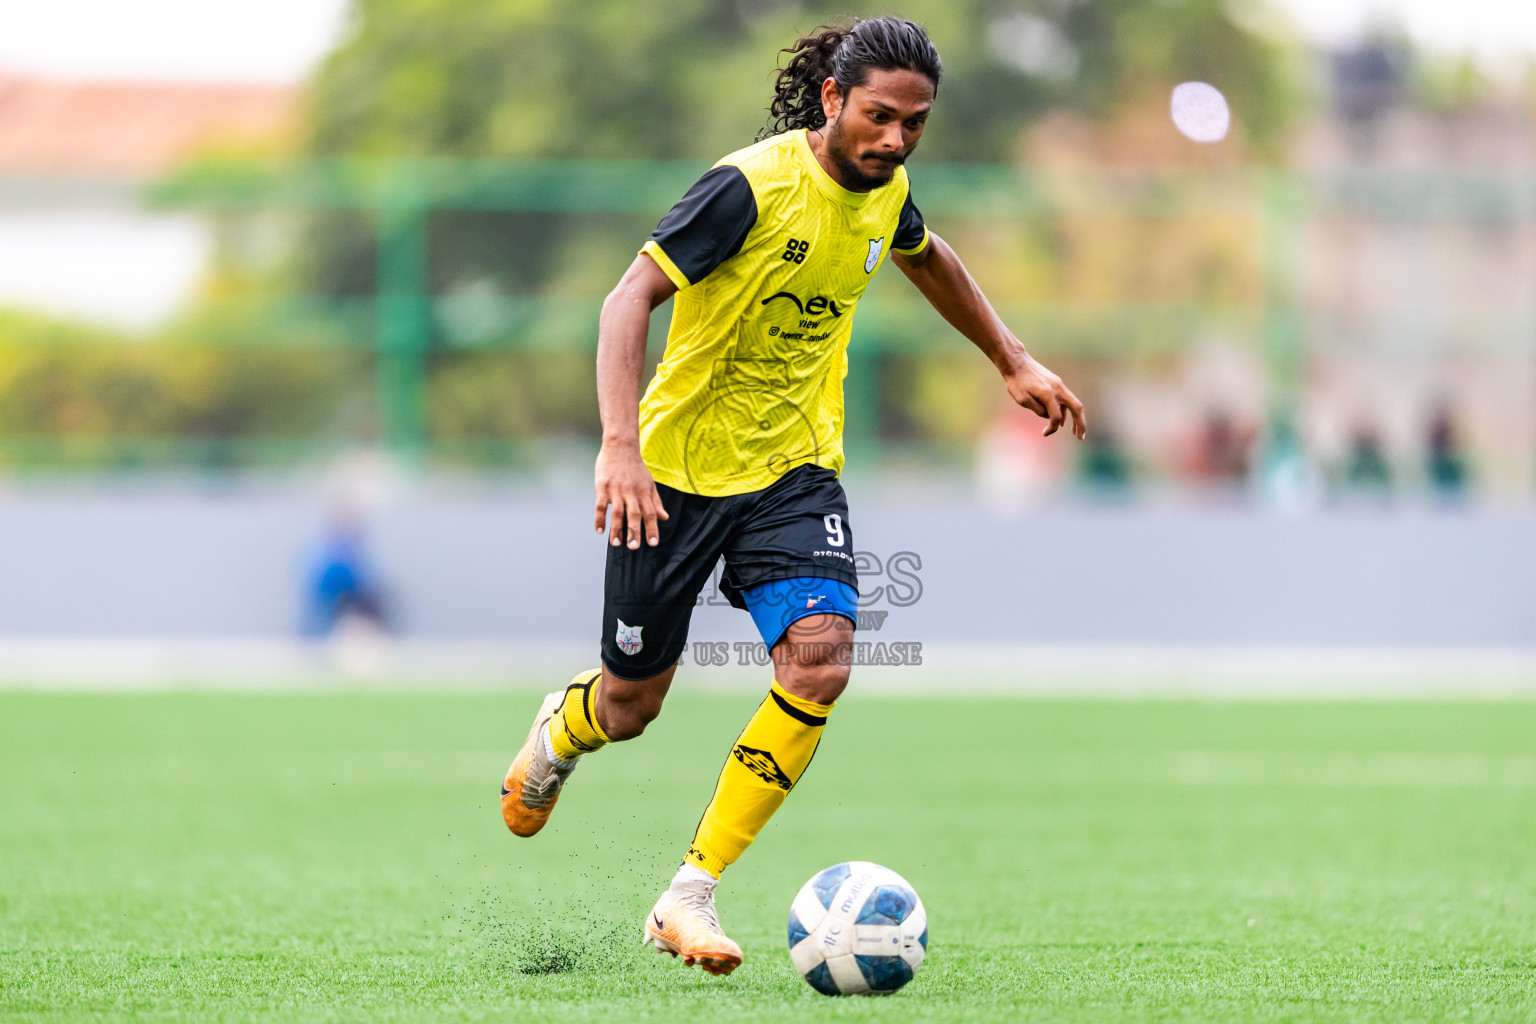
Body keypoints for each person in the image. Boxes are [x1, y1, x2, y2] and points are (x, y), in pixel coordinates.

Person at [499, 16, 1086, 976]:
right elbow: (624, 300)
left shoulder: (885, 189)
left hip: (794, 474)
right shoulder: (747, 187)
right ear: (832, 101)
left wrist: (1010, 357)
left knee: (820, 662)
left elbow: (926, 252)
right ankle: (561, 733)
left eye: (916, 124)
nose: (896, 140)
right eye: (880, 117)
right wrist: (619, 446)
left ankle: (688, 894)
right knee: (632, 703)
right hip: (675, 476)